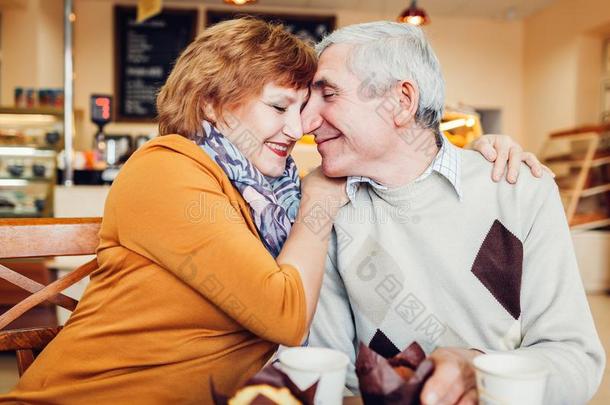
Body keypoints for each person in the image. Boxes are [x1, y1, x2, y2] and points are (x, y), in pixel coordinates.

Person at [1, 18, 545, 404]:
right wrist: (317, 205)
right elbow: (284, 313)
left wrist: (468, 156)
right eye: (279, 107)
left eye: (303, 107)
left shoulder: (263, 190)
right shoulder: (166, 168)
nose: (298, 127)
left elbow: (404, 162)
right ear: (213, 102)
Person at [304, 21, 605, 405]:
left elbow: (574, 358)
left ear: (401, 101)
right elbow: (332, 376)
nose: (307, 121)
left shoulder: (519, 191)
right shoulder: (327, 207)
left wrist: (480, 373)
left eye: (328, 94)